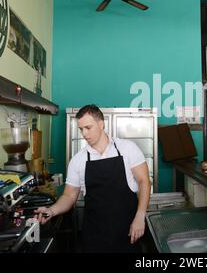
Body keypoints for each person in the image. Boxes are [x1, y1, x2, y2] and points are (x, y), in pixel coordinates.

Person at [34, 105, 151, 253]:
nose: (84, 133)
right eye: (81, 129)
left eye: (88, 127)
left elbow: (144, 182)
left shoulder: (127, 149)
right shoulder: (78, 160)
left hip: (128, 231)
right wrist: (51, 211)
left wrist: (140, 217)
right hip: (95, 237)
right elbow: (69, 196)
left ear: (101, 124)